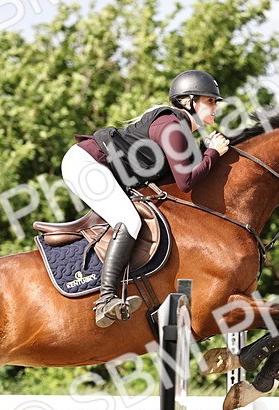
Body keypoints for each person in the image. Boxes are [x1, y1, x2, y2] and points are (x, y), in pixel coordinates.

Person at [62, 70, 231, 327]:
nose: (215, 107)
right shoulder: (172, 126)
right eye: (210, 101)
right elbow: (186, 182)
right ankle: (105, 300)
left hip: (100, 167)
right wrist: (213, 153)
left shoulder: (180, 129)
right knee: (129, 220)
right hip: (86, 164)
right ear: (189, 101)